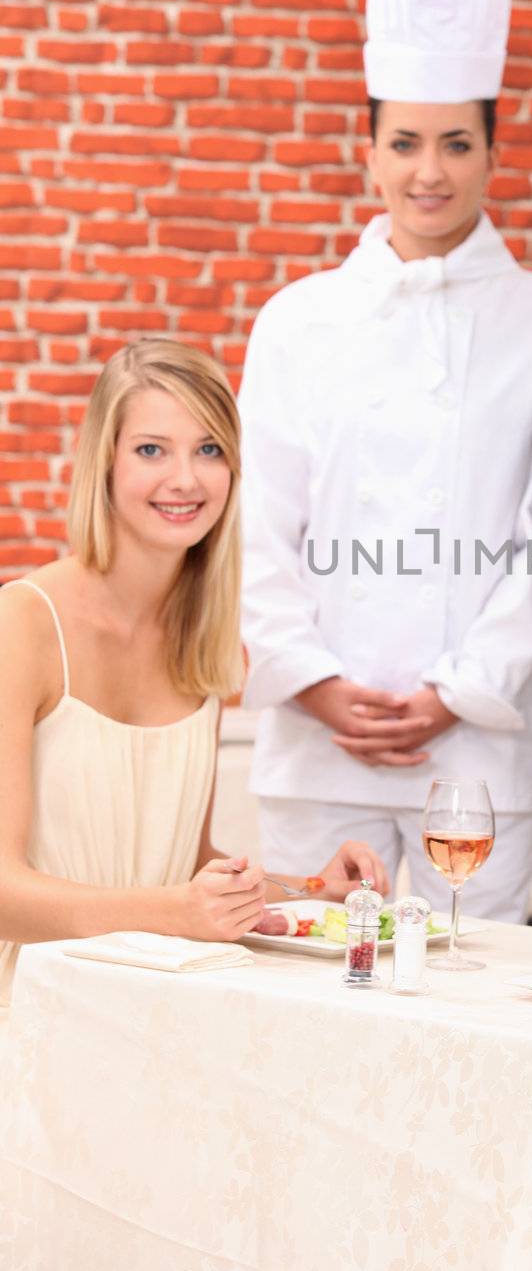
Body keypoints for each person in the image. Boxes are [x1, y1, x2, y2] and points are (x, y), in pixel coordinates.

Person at [239, 0, 532, 922]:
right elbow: (256, 525)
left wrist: (455, 692)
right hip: (312, 751)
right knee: (310, 1006)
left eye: (455, 143)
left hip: (477, 751)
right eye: (403, 142)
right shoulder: (296, 319)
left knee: (465, 1013)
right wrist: (311, 677)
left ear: (491, 151)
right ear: (369, 149)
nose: (427, 172)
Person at [0, 340, 388, 1010]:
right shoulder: (24, 625)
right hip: (32, 1007)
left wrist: (308, 889)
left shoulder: (204, 642)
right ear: (106, 462)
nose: (185, 478)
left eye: (209, 450)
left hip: (153, 1003)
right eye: (152, 449)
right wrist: (175, 913)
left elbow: (180, 863)